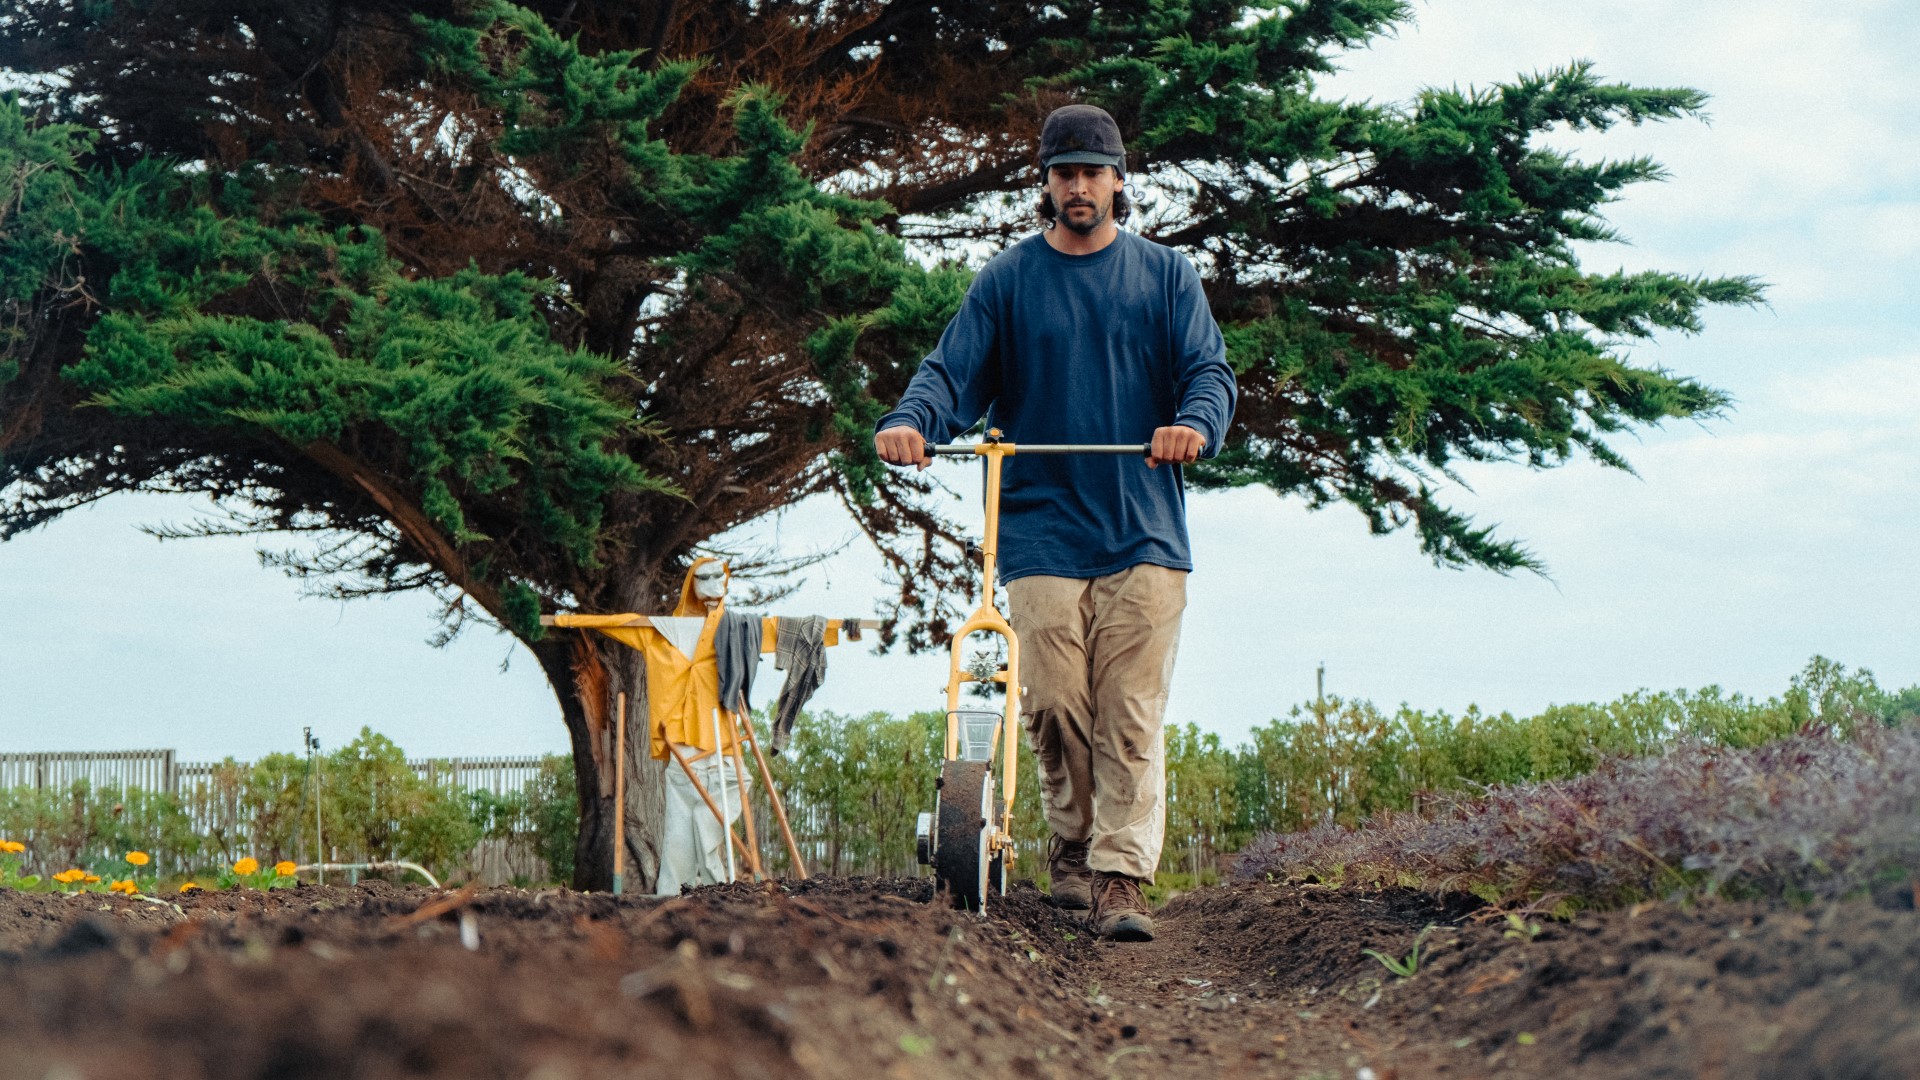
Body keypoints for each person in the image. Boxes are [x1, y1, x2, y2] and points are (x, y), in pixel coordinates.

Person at [873, 103, 1237, 941]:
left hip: (1144, 527)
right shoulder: (1008, 281)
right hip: (1039, 528)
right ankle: (1071, 851)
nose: (1078, 186)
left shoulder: (1166, 278)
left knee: (1131, 712)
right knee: (1056, 705)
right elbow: (947, 376)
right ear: (1045, 183)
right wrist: (912, 423)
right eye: (1063, 172)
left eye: (1092, 172)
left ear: (1118, 181)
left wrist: (1195, 425)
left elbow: (1209, 376)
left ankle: (1119, 878)